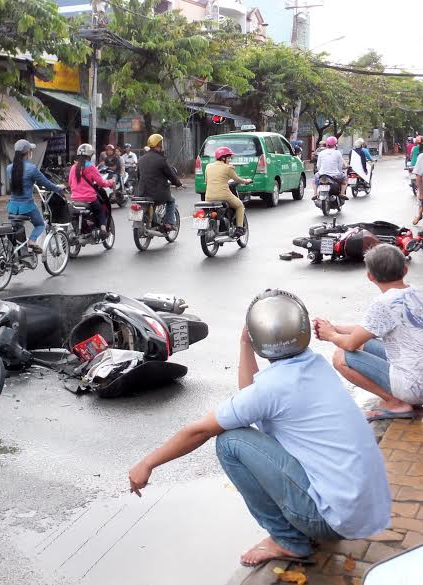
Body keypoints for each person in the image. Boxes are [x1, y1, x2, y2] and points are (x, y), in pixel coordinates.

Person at [128, 290, 391, 567]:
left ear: (258, 339)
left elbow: (200, 431)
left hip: (335, 520)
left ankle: (287, 540)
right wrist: (245, 344)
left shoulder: (271, 389)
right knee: (241, 430)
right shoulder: (315, 365)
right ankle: (305, 522)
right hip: (367, 510)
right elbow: (251, 396)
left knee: (229, 441)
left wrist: (148, 463)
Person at [315, 244, 423, 421]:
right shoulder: (416, 292)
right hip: (418, 377)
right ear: (405, 270)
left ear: (370, 276)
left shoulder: (383, 304)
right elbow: (367, 330)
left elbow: (350, 344)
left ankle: (397, 403)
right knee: (364, 342)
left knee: (341, 355)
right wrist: (333, 327)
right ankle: (405, 399)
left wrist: (330, 336)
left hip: (413, 387)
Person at [6, 139, 63, 254]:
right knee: (40, 224)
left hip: (12, 207)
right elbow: (46, 183)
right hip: (27, 207)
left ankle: (21, 255)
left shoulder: (9, 168)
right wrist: (58, 188)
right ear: (27, 152)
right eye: (30, 150)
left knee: (17, 230)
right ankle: (32, 241)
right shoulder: (31, 168)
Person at [68, 143, 115, 238]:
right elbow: (102, 183)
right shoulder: (91, 167)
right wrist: (111, 181)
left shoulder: (73, 167)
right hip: (89, 199)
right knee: (101, 210)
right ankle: (103, 230)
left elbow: (70, 182)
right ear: (90, 155)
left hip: (75, 199)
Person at [136, 134, 182, 230]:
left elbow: (139, 176)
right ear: (158, 144)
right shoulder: (161, 160)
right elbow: (171, 175)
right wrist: (178, 184)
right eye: (161, 143)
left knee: (153, 202)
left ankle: (153, 220)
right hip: (157, 193)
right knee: (171, 200)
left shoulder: (141, 159)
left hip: (142, 192)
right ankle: (168, 223)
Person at [204, 146, 252, 236]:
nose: (230, 160)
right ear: (223, 158)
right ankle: (239, 229)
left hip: (209, 197)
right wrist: (246, 181)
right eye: (229, 157)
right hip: (223, 196)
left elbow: (206, 181)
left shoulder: (208, 166)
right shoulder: (228, 168)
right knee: (240, 206)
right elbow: (237, 179)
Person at [413, 147, 423, 225]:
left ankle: (419, 215)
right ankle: (419, 215)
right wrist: (421, 193)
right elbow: (418, 176)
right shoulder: (422, 157)